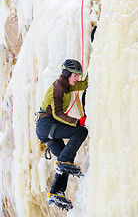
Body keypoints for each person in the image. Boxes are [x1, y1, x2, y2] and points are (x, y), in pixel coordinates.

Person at [36, 59, 88, 210]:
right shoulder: (58, 87)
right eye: (75, 75)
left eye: (78, 75)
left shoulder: (67, 86)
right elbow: (57, 113)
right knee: (81, 131)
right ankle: (62, 165)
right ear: (66, 74)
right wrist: (77, 122)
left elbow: (83, 85)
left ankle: (56, 192)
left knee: (66, 158)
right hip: (47, 125)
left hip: (47, 129)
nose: (77, 78)